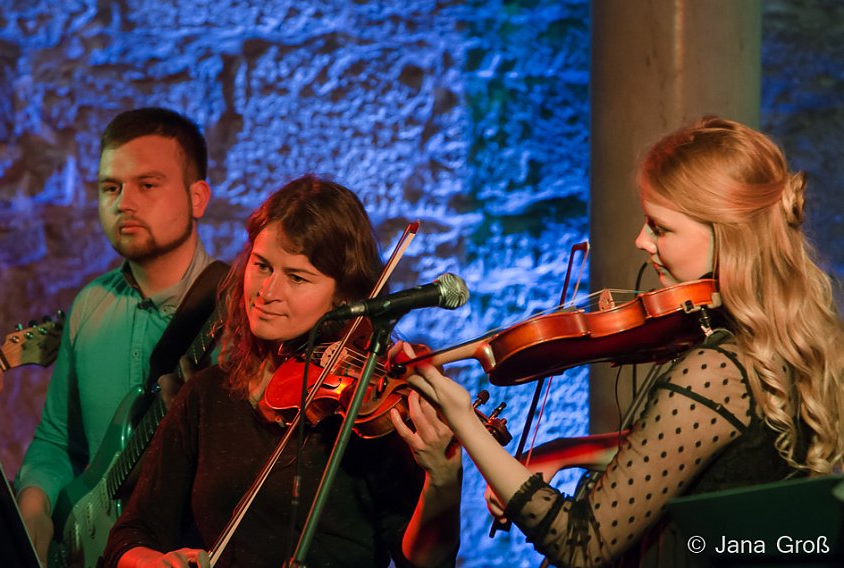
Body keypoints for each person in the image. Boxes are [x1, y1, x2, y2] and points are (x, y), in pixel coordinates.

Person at [406, 116, 844, 566]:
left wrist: (465, 420)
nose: (641, 240)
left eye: (660, 227)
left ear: (727, 233)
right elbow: (688, 447)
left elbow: (582, 545)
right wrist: (567, 449)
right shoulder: (770, 341)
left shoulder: (717, 368)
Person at [103, 175, 462, 568]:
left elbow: (426, 562)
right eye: (261, 266)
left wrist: (442, 480)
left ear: (343, 296)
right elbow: (131, 534)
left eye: (296, 277)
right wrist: (152, 562)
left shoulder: (371, 415)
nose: (267, 291)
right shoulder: (207, 395)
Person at [15, 107, 218, 561]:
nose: (124, 202)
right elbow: (57, 440)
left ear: (198, 198)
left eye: (147, 185)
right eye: (111, 187)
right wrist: (34, 505)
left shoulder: (235, 312)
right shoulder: (90, 304)